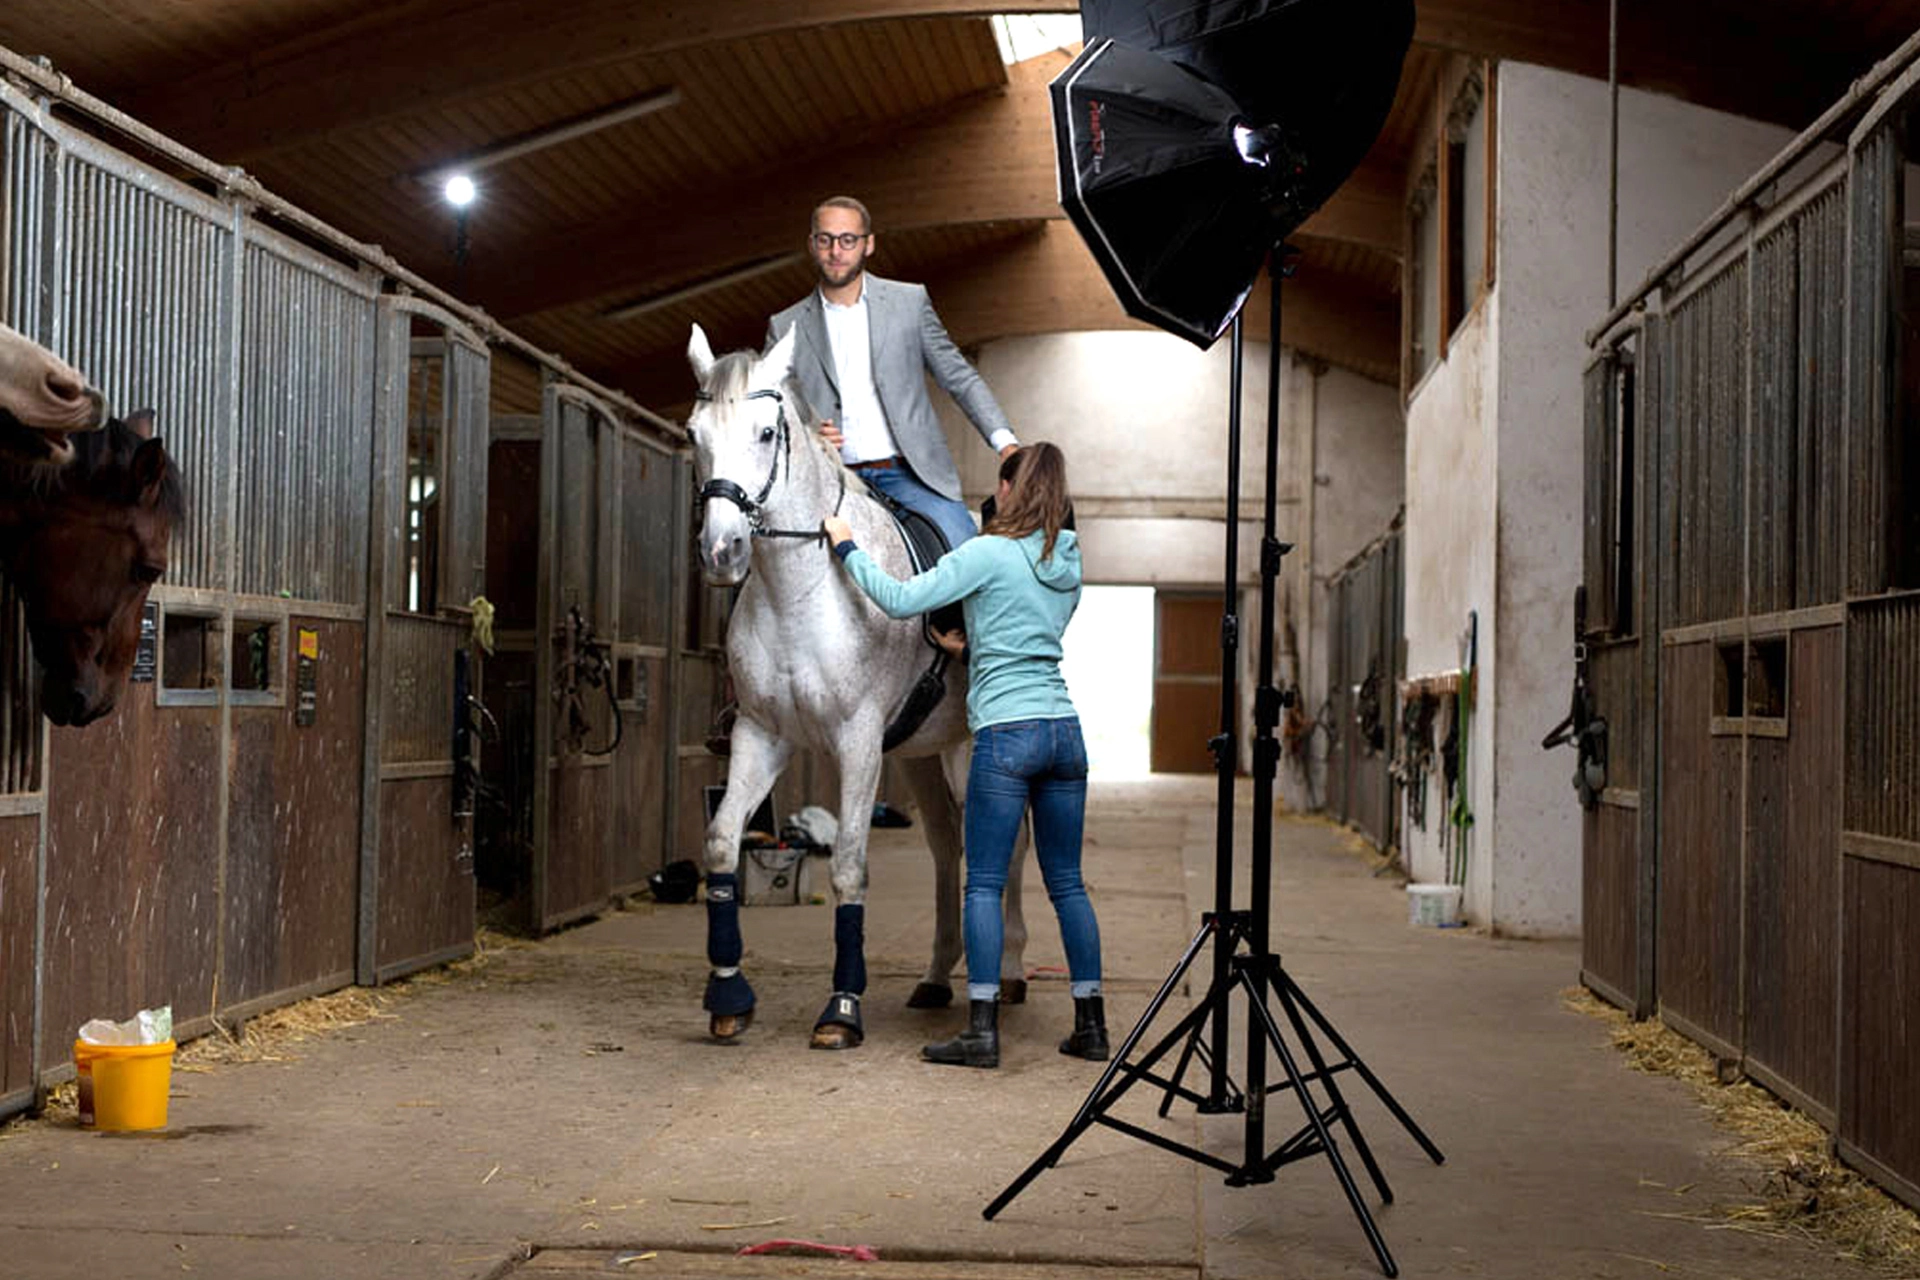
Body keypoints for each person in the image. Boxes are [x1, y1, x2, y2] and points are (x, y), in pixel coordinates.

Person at [823, 444, 1106, 1069]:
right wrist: (966, 650)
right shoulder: (1069, 559)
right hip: (1064, 730)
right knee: (1066, 884)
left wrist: (847, 547)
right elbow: (1023, 638)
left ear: (1008, 491)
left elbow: (900, 599)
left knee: (981, 881)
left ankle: (980, 1030)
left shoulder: (986, 552)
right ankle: (1091, 1025)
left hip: (1006, 732)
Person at [769, 195, 1018, 553]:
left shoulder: (910, 303)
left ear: (868, 244)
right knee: (767, 557)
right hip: (826, 477)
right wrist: (807, 432)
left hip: (910, 474)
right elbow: (766, 412)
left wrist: (1005, 444)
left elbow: (959, 377)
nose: (836, 251)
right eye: (825, 240)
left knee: (966, 555)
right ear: (812, 245)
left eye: (847, 240)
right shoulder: (784, 326)